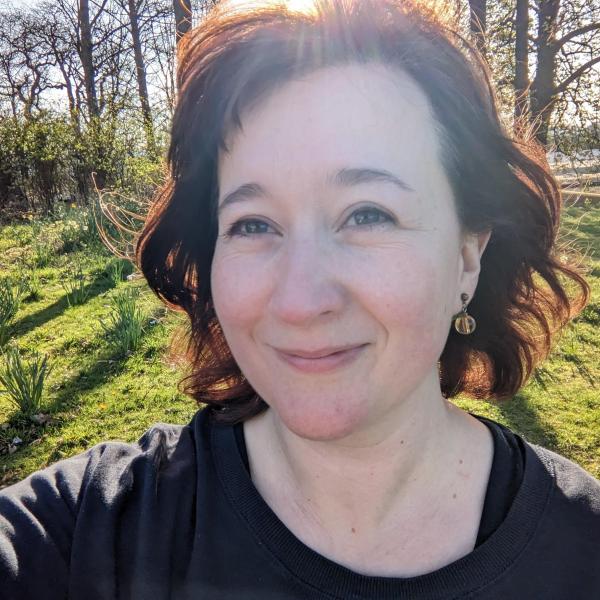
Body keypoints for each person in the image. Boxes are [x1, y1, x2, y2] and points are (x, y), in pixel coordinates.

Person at [1, 0, 599, 598]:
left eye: (367, 214)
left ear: (467, 256)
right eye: (252, 224)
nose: (299, 301)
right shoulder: (94, 531)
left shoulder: (584, 552)